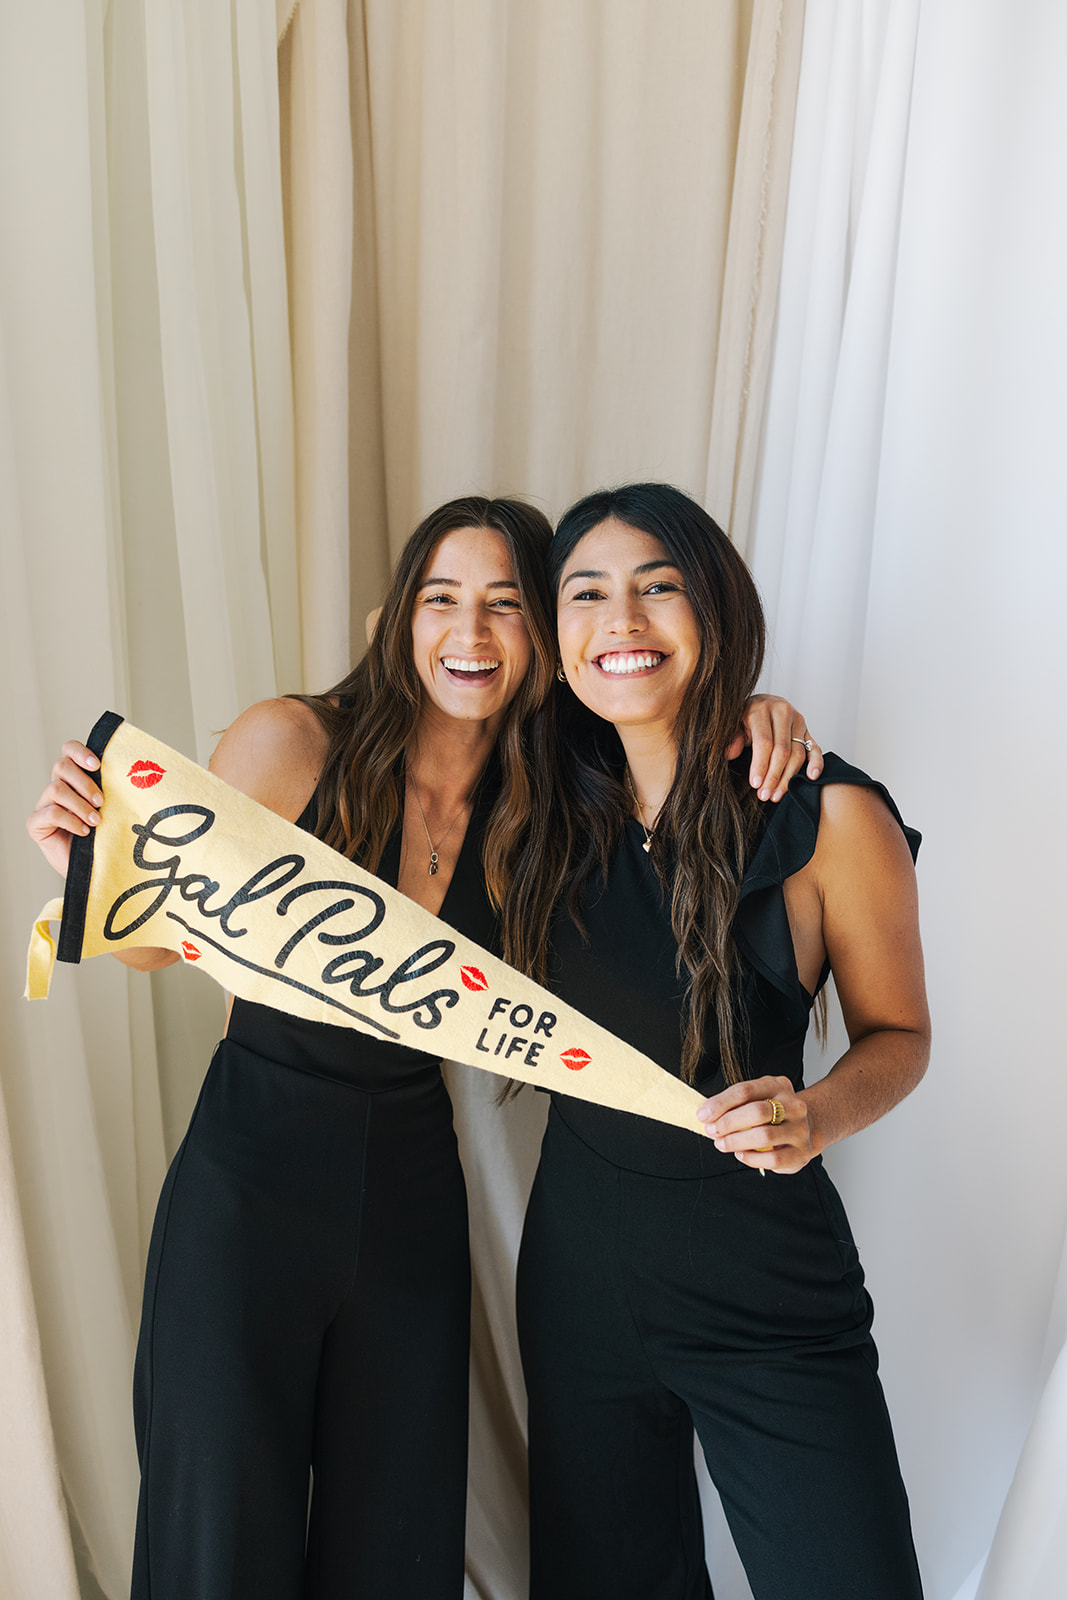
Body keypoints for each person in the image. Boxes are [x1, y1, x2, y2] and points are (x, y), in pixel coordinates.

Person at [26, 492, 818, 1600]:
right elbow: (161, 950)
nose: (469, 633)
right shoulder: (291, 741)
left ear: (541, 640)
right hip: (250, 1175)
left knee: (393, 1541)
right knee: (218, 1534)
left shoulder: (548, 809)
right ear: (392, 620)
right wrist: (90, 849)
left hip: (408, 1188)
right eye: (441, 599)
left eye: (503, 605)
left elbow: (669, 752)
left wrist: (759, 711)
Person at [513, 483, 930, 1600]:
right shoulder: (537, 812)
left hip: (769, 1296)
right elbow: (396, 664)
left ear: (718, 607)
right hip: (577, 1288)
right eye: (586, 593)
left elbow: (898, 1034)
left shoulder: (829, 816)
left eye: (659, 586)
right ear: (553, 643)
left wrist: (818, 1113)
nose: (624, 620)